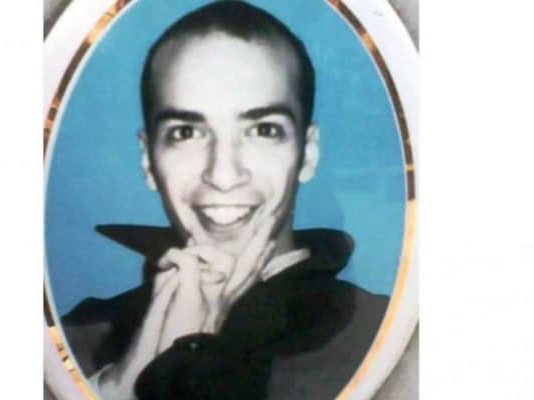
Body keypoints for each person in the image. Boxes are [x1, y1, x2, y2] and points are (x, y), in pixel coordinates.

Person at [61, 1, 388, 399]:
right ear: (148, 159)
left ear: (308, 153)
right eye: (186, 132)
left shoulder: (381, 340)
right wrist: (121, 385)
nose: (223, 175)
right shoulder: (76, 340)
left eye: (263, 130)